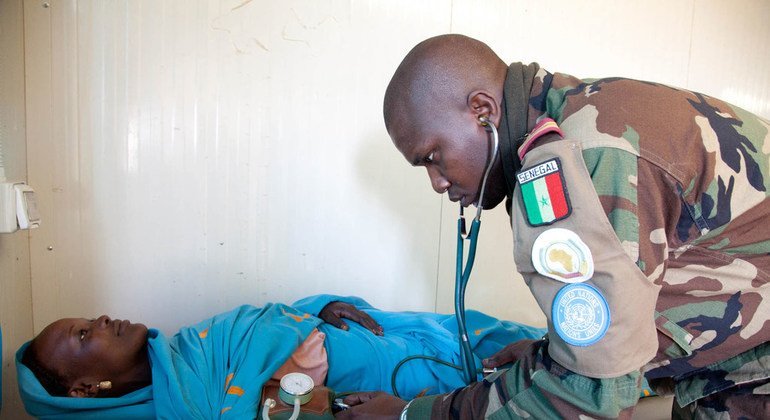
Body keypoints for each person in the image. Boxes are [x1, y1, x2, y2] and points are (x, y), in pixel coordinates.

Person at [337, 34, 770, 419]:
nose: (436, 182)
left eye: (432, 157)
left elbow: (589, 397)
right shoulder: (571, 117)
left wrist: (414, 413)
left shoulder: (582, 160)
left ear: (482, 110)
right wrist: (552, 353)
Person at [16, 294, 545, 419]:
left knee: (520, 339)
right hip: (403, 384)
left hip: (402, 335)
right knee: (534, 385)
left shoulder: (178, 352)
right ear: (85, 389)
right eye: (86, 336)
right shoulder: (184, 406)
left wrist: (320, 308)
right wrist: (293, 385)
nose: (103, 322)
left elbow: (258, 322)